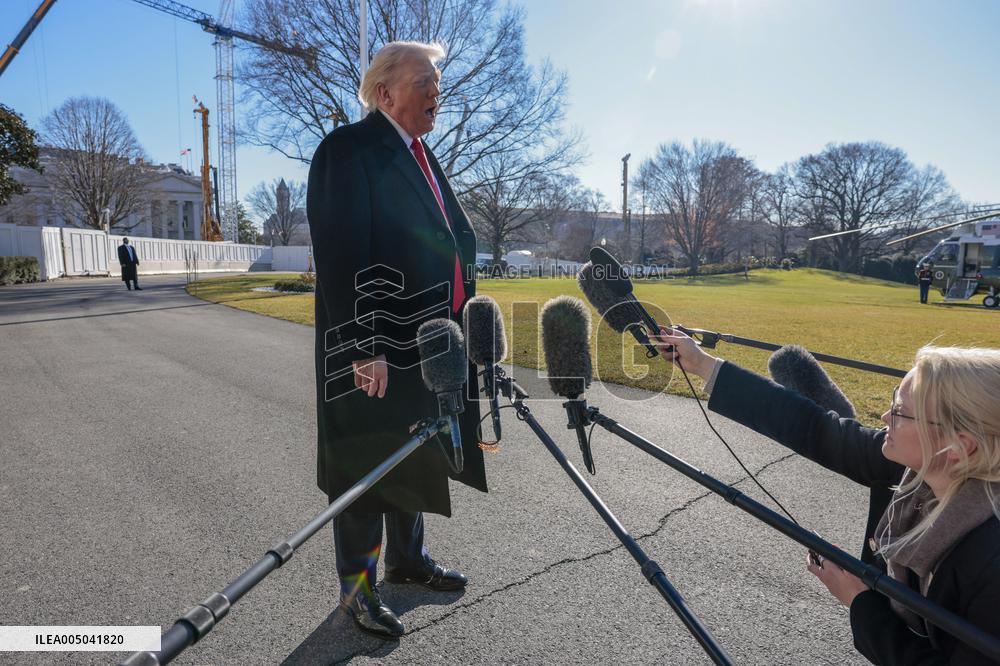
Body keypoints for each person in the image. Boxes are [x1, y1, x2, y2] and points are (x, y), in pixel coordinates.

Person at [650, 327, 1000, 665]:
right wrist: (702, 365)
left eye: (899, 412)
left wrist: (860, 601)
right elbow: (817, 429)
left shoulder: (990, 563)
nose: (883, 417)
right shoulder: (917, 465)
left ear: (959, 445)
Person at [306, 41, 487, 640]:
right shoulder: (347, 150)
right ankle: (357, 593)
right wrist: (364, 346)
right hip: (375, 344)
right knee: (366, 459)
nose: (438, 92)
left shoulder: (420, 154)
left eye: (438, 81)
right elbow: (342, 255)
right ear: (384, 92)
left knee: (414, 447)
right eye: (425, 82)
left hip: (425, 341)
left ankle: (407, 562)